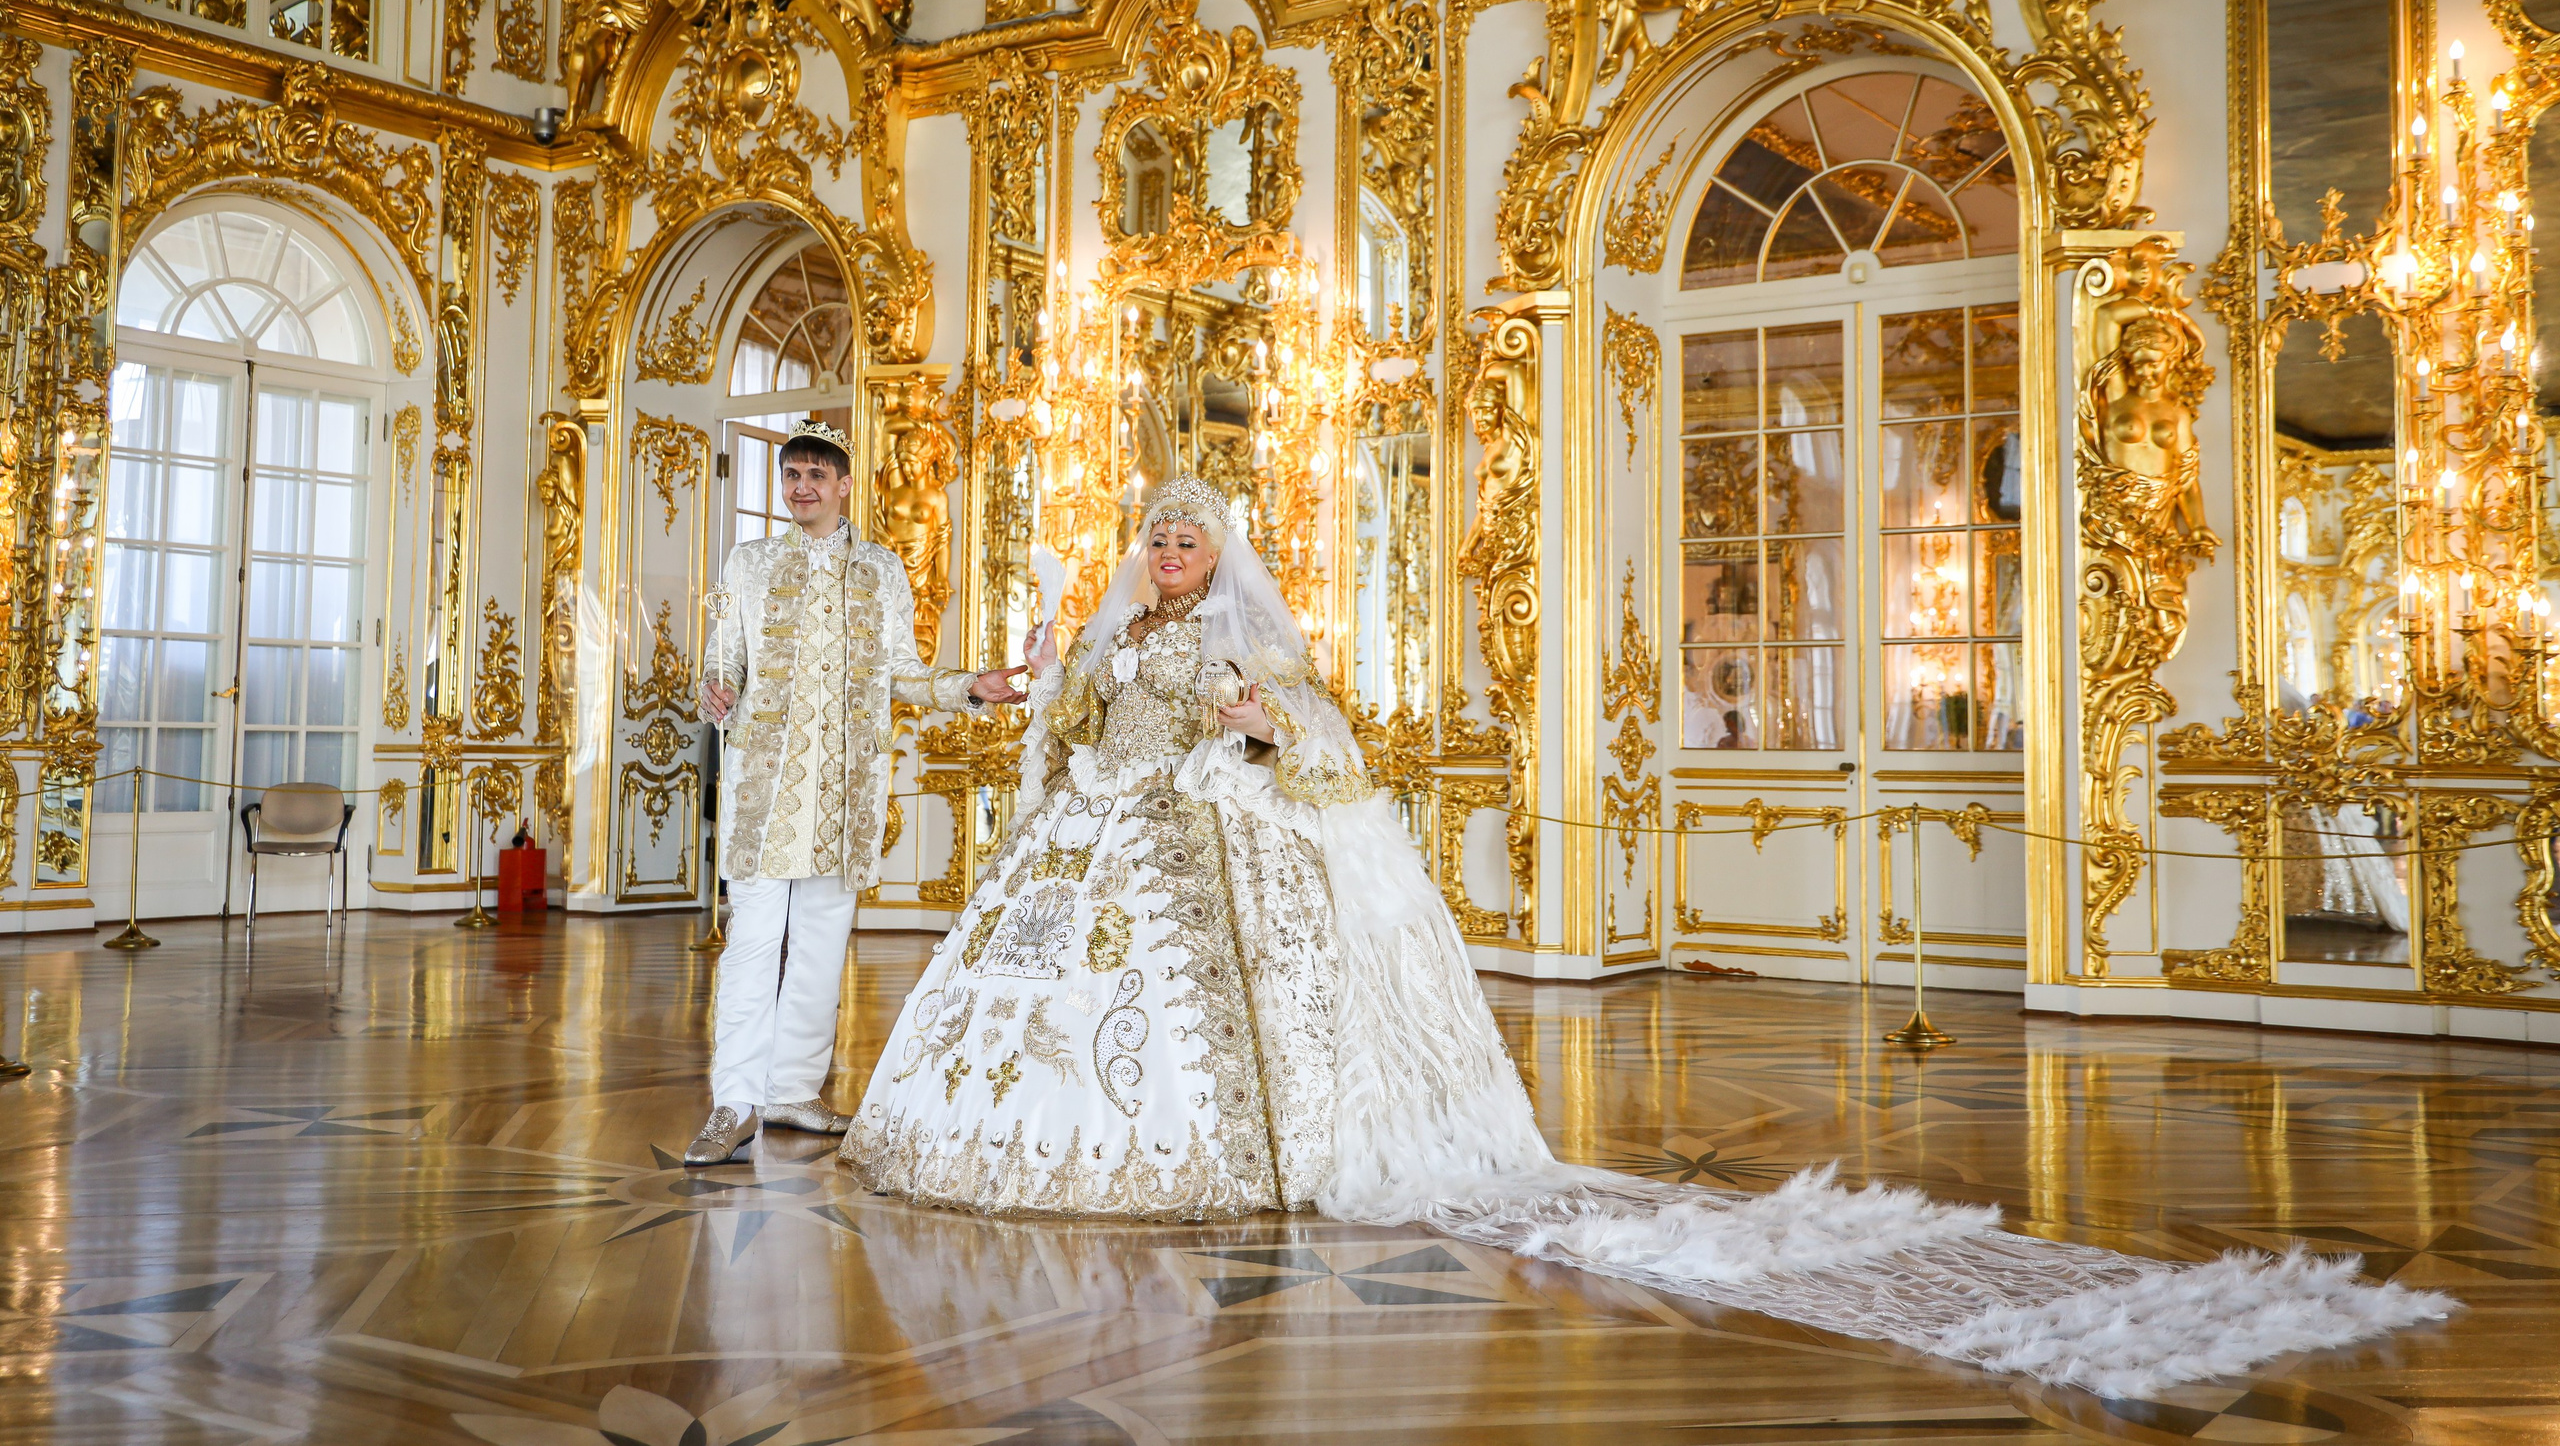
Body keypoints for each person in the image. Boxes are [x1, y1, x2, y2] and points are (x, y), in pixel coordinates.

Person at [840, 476, 2447, 1396]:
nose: (1170, 560)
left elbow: (1328, 756)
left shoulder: (1254, 646)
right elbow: (1054, 735)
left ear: (1223, 559)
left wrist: (1257, 727)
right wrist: (1040, 703)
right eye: (1160, 542)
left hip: (1198, 855)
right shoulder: (1112, 641)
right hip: (1082, 864)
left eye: (1189, 544)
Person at [684, 418, 1025, 1166]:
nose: (801, 489)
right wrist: (716, 691)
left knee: (819, 945)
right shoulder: (749, 564)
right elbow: (723, 662)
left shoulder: (881, 571)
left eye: (815, 476)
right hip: (764, 791)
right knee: (750, 945)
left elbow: (901, 671)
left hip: (845, 791)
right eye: (791, 476)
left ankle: (793, 1090)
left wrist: (970, 685)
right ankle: (734, 1102)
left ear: (843, 485)